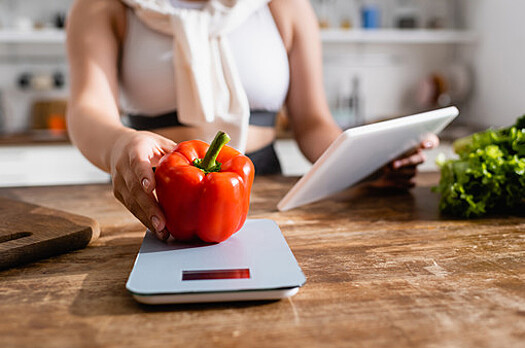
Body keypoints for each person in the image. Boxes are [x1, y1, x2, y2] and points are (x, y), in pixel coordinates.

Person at [66, 0, 439, 242]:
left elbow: (311, 124)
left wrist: (363, 162)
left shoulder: (286, 6)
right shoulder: (104, 6)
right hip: (159, 188)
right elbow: (88, 108)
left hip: (258, 182)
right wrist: (118, 144)